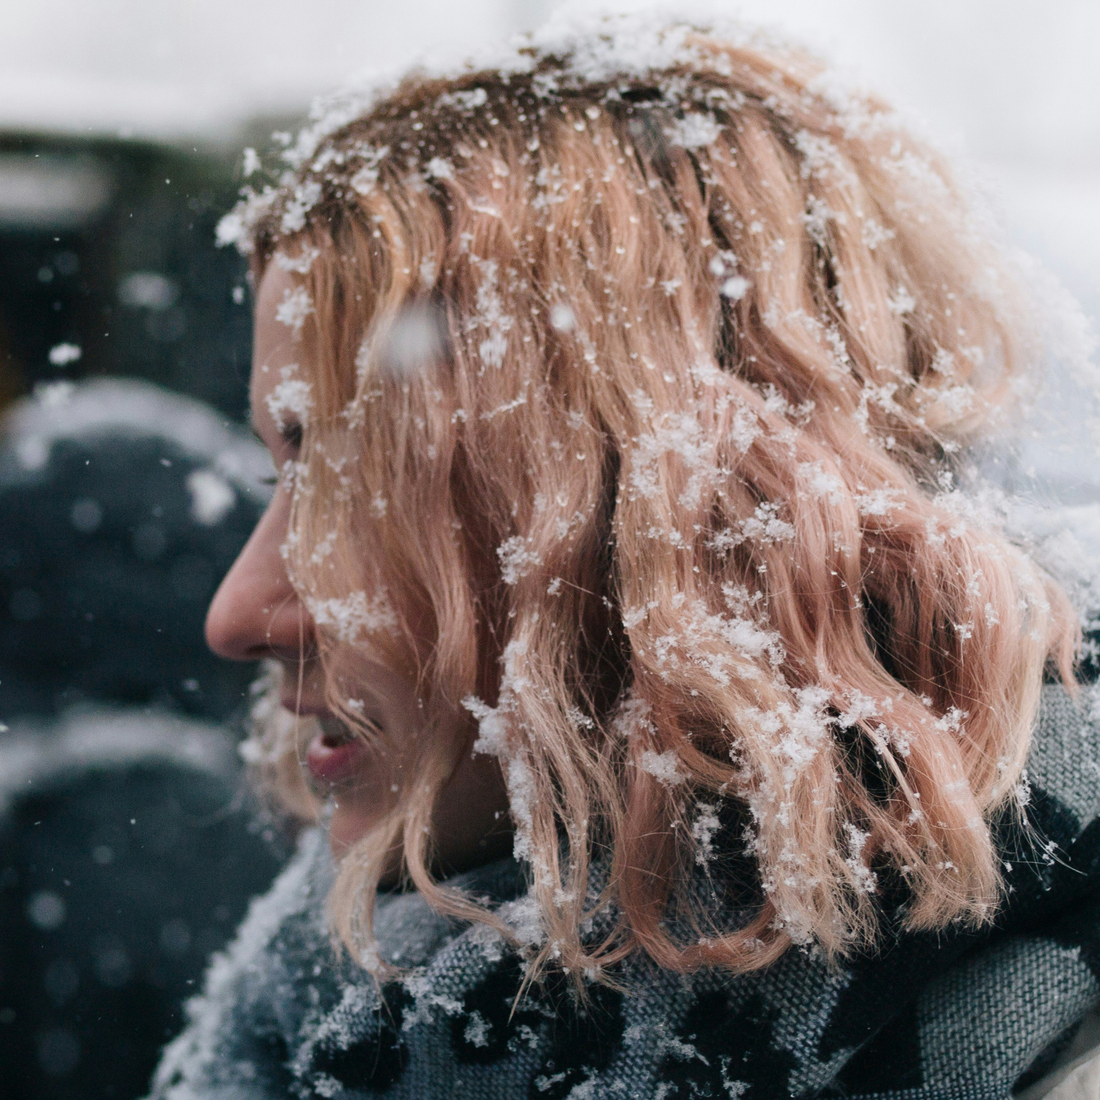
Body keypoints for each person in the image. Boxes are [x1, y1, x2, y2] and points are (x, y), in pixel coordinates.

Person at [149, 12, 1100, 1099]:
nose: (238, 613)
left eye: (361, 489)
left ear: (683, 522)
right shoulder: (325, 998)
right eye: (280, 480)